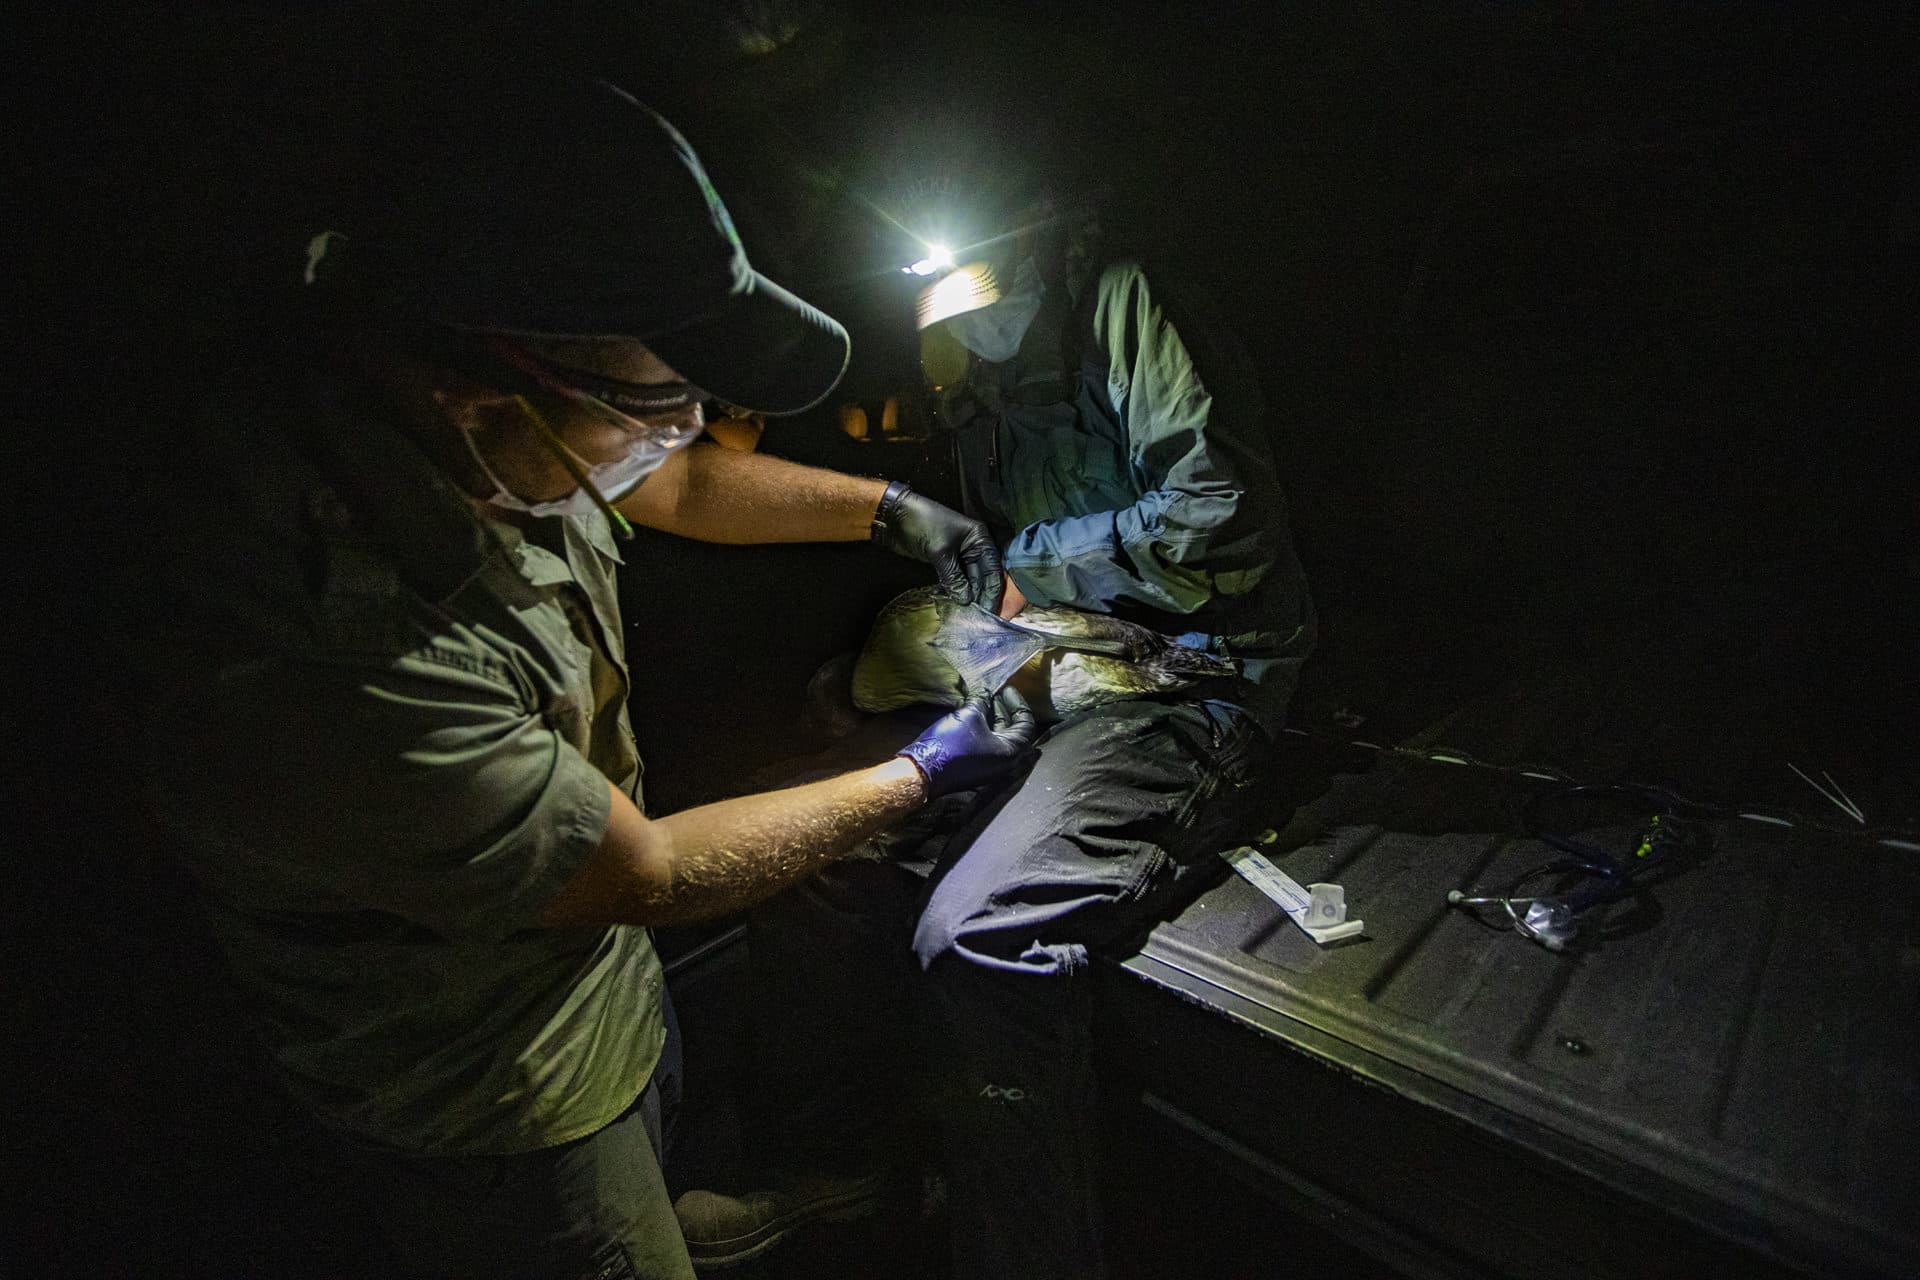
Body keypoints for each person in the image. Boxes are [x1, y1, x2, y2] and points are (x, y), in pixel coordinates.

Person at [138, 72, 1038, 1280]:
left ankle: (673, 1203)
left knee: (650, 1154)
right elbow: (647, 869)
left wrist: (898, 511)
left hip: (598, 989)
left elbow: (666, 480)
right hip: (504, 1101)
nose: (695, 432)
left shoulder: (486, 425)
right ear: (479, 393)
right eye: (664, 404)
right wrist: (927, 766)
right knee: (598, 1229)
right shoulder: (326, 653)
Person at [674, 207, 1316, 1277]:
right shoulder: (949, 338)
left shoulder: (1122, 298)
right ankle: (837, 1164)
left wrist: (1033, 560)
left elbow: (1221, 516)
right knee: (814, 852)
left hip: (1184, 679)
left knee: (981, 932)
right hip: (1036, 662)